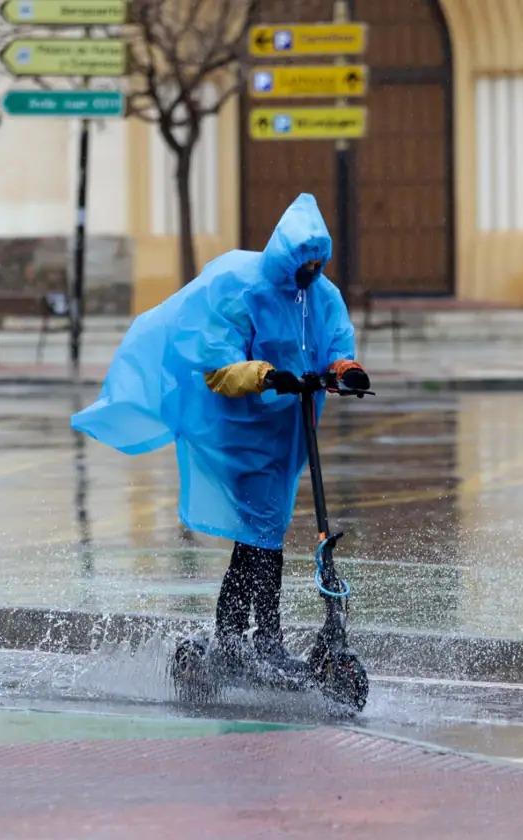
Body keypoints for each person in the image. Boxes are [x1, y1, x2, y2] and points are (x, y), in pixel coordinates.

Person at [71, 193, 369, 667]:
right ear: (284, 255)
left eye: (318, 263)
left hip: (289, 430)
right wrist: (265, 375)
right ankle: (263, 640)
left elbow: (335, 342)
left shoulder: (322, 295)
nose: (311, 272)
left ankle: (231, 638)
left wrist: (345, 370)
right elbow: (216, 364)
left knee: (257, 535)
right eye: (304, 263)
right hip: (242, 431)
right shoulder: (240, 285)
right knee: (263, 533)